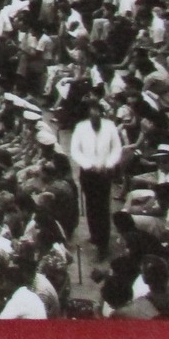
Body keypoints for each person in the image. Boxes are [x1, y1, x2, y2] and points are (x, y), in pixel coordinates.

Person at [70, 102, 123, 254]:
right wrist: (88, 165)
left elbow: (116, 148)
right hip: (88, 173)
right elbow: (75, 150)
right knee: (91, 205)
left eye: (98, 115)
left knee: (103, 207)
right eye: (92, 116)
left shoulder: (110, 127)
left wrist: (108, 164)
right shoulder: (81, 128)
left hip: (104, 173)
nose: (95, 119)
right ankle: (94, 234)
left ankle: (103, 243)